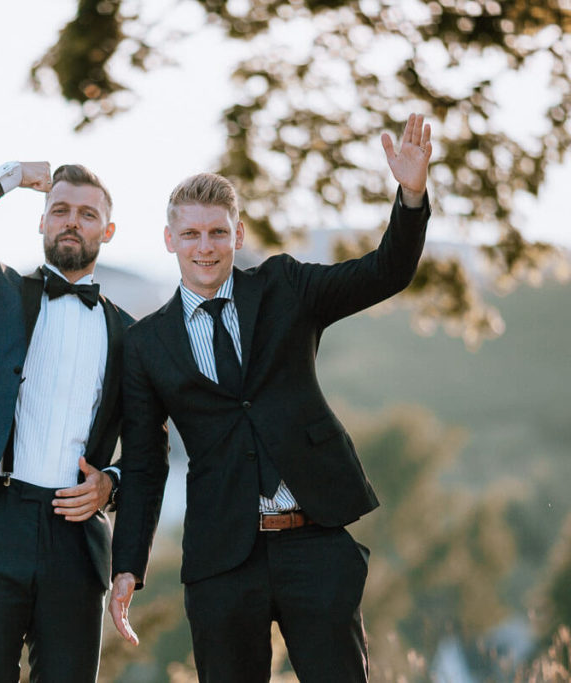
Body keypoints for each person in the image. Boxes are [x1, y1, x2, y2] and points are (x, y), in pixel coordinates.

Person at [107, 113, 433, 682]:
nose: (204, 248)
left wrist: (409, 195)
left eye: (216, 232)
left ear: (236, 234)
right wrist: (128, 564)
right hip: (221, 556)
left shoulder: (285, 287)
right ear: (169, 240)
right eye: (190, 234)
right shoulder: (145, 344)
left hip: (314, 540)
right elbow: (142, 459)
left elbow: (385, 271)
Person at [0, 161, 134, 682]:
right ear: (41, 222)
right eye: (59, 210)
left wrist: (112, 483)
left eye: (86, 213)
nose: (71, 222)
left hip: (76, 535)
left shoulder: (130, 333)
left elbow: (150, 446)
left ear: (107, 230)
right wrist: (6, 177)